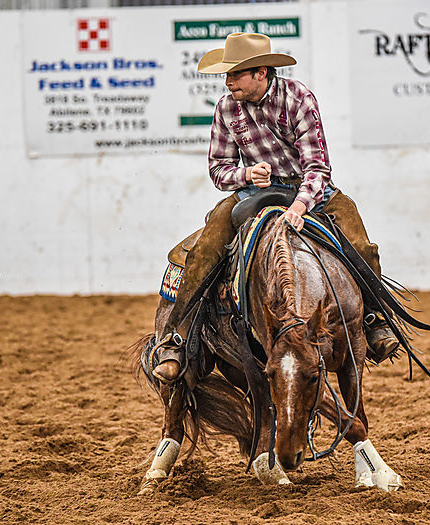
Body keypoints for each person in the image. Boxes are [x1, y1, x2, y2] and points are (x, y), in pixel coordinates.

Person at [153, 32, 398, 384]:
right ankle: (176, 340)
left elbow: (318, 167)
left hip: (309, 190)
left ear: (261, 72)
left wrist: (299, 205)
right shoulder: (226, 108)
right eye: (227, 74)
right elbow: (218, 169)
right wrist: (246, 173)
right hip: (253, 193)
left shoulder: (298, 99)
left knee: (360, 245)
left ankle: (374, 319)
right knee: (204, 251)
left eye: (235, 74)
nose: (228, 82)